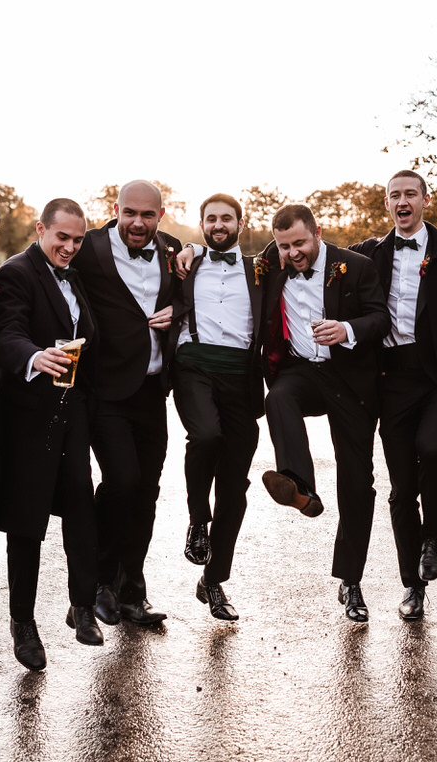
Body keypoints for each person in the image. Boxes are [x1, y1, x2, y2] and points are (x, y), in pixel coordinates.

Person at [349, 171, 437, 621]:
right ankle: (413, 586)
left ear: (425, 200)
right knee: (399, 489)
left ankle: (434, 532)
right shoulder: (367, 255)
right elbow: (306, 251)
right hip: (391, 379)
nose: (402, 201)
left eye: (410, 193)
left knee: (432, 450)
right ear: (387, 204)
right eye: (394, 196)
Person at [259, 204, 390, 622]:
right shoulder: (270, 265)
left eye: (299, 243)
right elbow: (220, 255)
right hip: (301, 371)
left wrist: (347, 330)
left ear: (317, 232)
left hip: (348, 379)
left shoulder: (356, 266)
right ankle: (300, 486)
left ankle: (350, 581)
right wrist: (188, 249)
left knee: (357, 481)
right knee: (277, 398)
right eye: (284, 246)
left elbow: (380, 318)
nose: (293, 253)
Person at [0, 198, 102, 670]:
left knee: (81, 504)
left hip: (70, 413)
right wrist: (33, 357)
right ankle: (23, 623)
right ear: (41, 229)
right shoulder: (17, 272)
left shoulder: (76, 275)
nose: (71, 247)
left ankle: (82, 604)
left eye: (78, 240)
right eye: (63, 238)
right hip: (26, 418)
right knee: (27, 523)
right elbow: (6, 333)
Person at [70, 180, 181, 626]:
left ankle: (133, 590)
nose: (138, 222)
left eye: (147, 215)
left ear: (160, 215)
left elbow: (191, 292)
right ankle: (96, 584)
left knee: (147, 492)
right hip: (106, 389)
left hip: (153, 389)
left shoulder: (174, 251)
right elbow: (45, 267)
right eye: (129, 213)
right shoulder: (88, 248)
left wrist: (181, 312)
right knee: (122, 481)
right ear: (115, 209)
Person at [168, 194, 265, 621]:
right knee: (205, 433)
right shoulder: (184, 263)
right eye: (211, 219)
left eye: (227, 218)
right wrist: (190, 249)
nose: (219, 224)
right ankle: (197, 520)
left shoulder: (260, 269)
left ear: (240, 224)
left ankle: (214, 580)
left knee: (235, 488)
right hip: (194, 363)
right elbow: (143, 239)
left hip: (241, 375)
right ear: (202, 224)